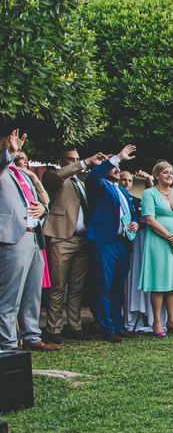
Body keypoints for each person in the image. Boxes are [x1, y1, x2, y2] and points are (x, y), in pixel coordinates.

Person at [0, 129, 59, 352]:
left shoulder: (23, 175)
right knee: (10, 295)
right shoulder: (3, 170)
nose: (18, 151)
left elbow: (40, 202)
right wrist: (9, 153)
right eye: (10, 145)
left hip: (35, 237)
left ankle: (32, 336)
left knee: (33, 292)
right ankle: (7, 343)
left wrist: (43, 208)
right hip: (12, 238)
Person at [41, 147, 106, 343]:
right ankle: (53, 328)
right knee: (58, 286)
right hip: (62, 237)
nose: (74, 162)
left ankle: (75, 325)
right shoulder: (53, 177)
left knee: (77, 287)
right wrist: (84, 162)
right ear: (61, 161)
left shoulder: (83, 183)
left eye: (76, 159)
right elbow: (58, 177)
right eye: (70, 160)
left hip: (83, 239)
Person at [86, 145, 139, 343]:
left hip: (122, 243)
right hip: (104, 241)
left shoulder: (123, 192)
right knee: (103, 285)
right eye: (114, 166)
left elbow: (132, 214)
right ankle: (106, 327)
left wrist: (134, 222)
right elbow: (95, 174)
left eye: (117, 166)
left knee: (118, 286)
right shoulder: (97, 184)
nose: (117, 169)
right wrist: (116, 157)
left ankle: (118, 325)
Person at [139, 161, 173, 336]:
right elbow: (150, 219)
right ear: (157, 175)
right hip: (158, 241)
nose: (169, 175)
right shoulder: (149, 193)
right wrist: (170, 238)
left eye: (171, 172)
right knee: (159, 281)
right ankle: (157, 322)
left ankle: (172, 319)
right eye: (165, 172)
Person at [14, 152, 51, 292]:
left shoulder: (29, 179)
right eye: (19, 158)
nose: (23, 162)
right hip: (18, 235)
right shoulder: (8, 176)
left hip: (35, 235)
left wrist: (34, 176)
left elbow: (46, 200)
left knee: (33, 289)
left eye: (26, 159)